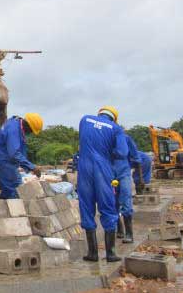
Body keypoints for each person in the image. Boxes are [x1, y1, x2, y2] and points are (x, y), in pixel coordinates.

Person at [78, 106, 128, 262]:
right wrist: (108, 151)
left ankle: (92, 253)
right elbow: (122, 153)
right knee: (107, 206)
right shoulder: (116, 129)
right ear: (113, 118)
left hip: (84, 168)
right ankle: (111, 253)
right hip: (102, 168)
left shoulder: (85, 119)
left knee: (86, 206)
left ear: (99, 113)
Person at [0, 113, 43, 199]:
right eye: (31, 130)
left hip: (5, 159)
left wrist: (27, 167)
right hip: (3, 160)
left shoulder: (17, 125)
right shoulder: (14, 130)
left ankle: (2, 205)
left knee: (8, 188)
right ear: (27, 125)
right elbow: (14, 153)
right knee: (15, 187)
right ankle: (16, 210)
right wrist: (32, 167)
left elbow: (19, 151)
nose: (30, 133)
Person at [114, 134, 140, 243]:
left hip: (124, 174)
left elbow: (136, 157)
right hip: (109, 175)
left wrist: (140, 178)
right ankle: (120, 229)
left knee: (126, 200)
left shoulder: (126, 138)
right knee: (112, 202)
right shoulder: (104, 139)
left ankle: (129, 234)